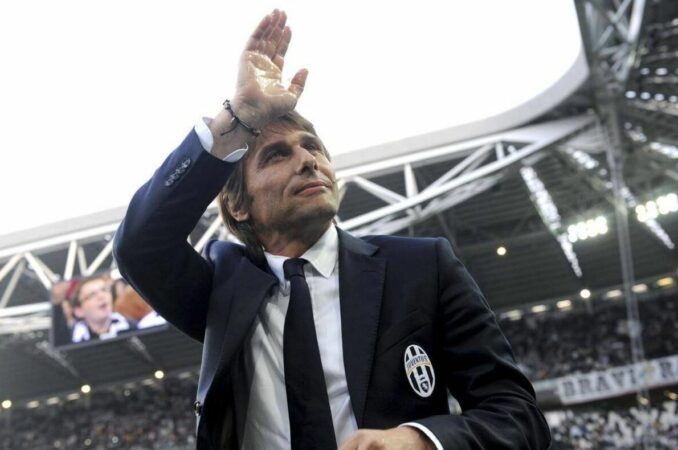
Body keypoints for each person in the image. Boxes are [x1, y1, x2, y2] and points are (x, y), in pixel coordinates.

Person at [113, 9, 551, 450]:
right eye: (277, 155)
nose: (308, 161)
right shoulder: (222, 292)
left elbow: (516, 415)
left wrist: (420, 440)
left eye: (313, 147)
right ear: (238, 206)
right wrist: (237, 120)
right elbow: (139, 247)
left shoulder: (420, 268)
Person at [70, 274, 137, 343]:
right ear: (79, 311)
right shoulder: (73, 340)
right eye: (92, 294)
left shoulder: (133, 329)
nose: (101, 296)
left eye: (104, 290)